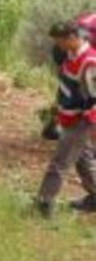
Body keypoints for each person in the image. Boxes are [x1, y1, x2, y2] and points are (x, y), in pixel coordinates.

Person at [35, 20, 96, 217]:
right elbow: (66, 89)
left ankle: (45, 203)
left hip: (81, 121)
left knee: (59, 162)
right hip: (69, 117)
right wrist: (57, 114)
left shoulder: (89, 63)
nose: (58, 45)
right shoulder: (70, 54)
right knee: (84, 161)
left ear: (72, 37)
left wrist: (88, 124)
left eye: (60, 41)